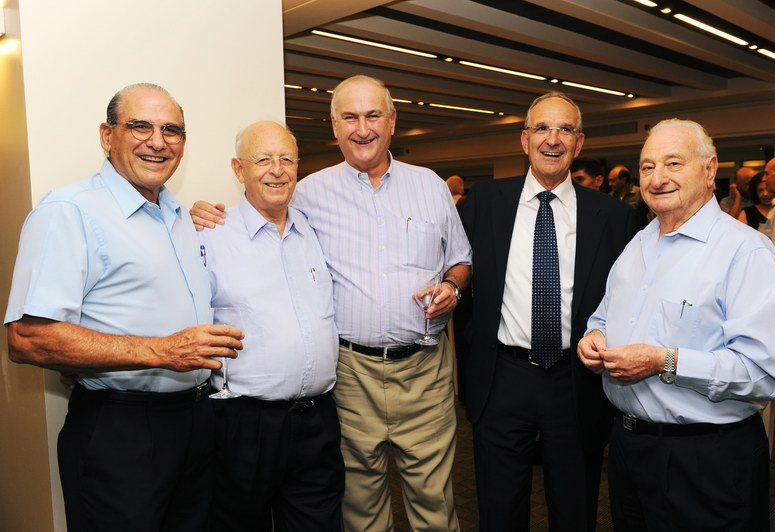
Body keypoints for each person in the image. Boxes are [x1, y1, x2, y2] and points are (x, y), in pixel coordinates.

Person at [191, 75, 472, 532]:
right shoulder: (308, 194)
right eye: (350, 117)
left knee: (435, 503)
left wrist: (453, 287)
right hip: (350, 375)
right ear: (335, 126)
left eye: (373, 115)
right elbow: (259, 209)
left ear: (392, 121)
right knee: (359, 508)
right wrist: (199, 214)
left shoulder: (431, 186)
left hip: (424, 372)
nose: (362, 129)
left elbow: (460, 259)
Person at [4, 83, 243, 531]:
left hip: (194, 422)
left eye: (171, 130)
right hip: (122, 430)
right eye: (140, 126)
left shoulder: (177, 215)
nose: (158, 141)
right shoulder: (69, 211)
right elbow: (28, 338)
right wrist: (163, 351)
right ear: (106, 135)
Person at [578, 119, 775, 531]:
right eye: (647, 167)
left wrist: (663, 361)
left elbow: (761, 374)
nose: (657, 178)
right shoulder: (637, 244)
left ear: (710, 170)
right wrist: (595, 336)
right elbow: (605, 315)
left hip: (706, 459)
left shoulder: (745, 251)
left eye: (673, 163)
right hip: (628, 449)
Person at [461, 92, 636, 531]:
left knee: (575, 508)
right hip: (502, 377)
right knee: (499, 509)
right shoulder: (484, 201)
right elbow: (460, 277)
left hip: (576, 379)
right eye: (542, 128)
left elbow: (627, 297)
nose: (552, 139)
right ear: (524, 140)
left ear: (579, 143)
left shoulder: (613, 216)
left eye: (565, 130)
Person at [201, 121, 343, 531]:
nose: (277, 170)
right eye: (262, 159)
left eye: (286, 159)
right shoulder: (209, 236)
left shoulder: (315, 230)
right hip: (245, 425)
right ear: (238, 169)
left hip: (318, 419)